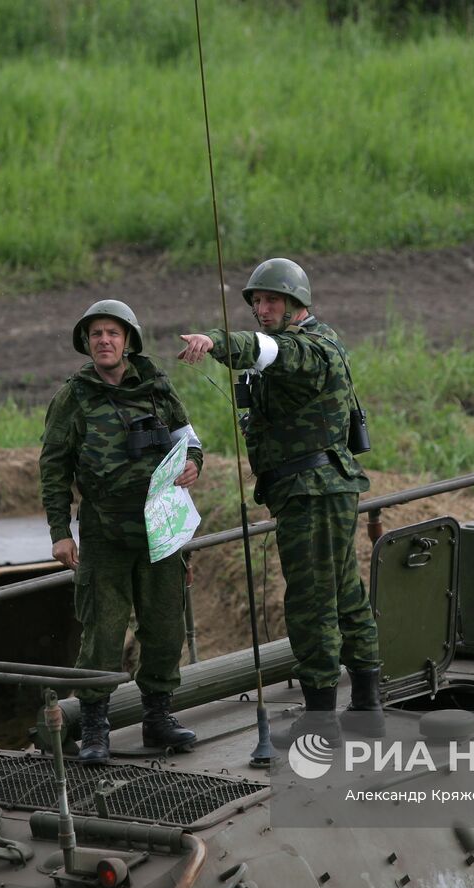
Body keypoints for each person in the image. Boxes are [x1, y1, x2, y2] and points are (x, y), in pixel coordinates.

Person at [177, 258, 381, 746]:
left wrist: (217, 342)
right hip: (314, 489)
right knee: (345, 593)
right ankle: (368, 704)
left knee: (313, 602)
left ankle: (321, 718)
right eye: (257, 302)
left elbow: (266, 350)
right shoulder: (302, 344)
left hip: (313, 491)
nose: (261, 309)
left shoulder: (312, 347)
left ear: (297, 305)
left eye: (271, 301)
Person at [40, 299, 203, 765]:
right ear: (87, 343)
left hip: (161, 529)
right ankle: (95, 727)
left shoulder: (156, 386)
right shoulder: (74, 396)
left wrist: (192, 463)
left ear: (128, 340)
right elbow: (53, 468)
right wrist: (60, 531)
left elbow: (188, 439)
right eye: (96, 335)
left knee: (165, 626)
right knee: (103, 636)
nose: (105, 341)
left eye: (113, 333)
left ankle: (158, 716)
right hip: (105, 534)